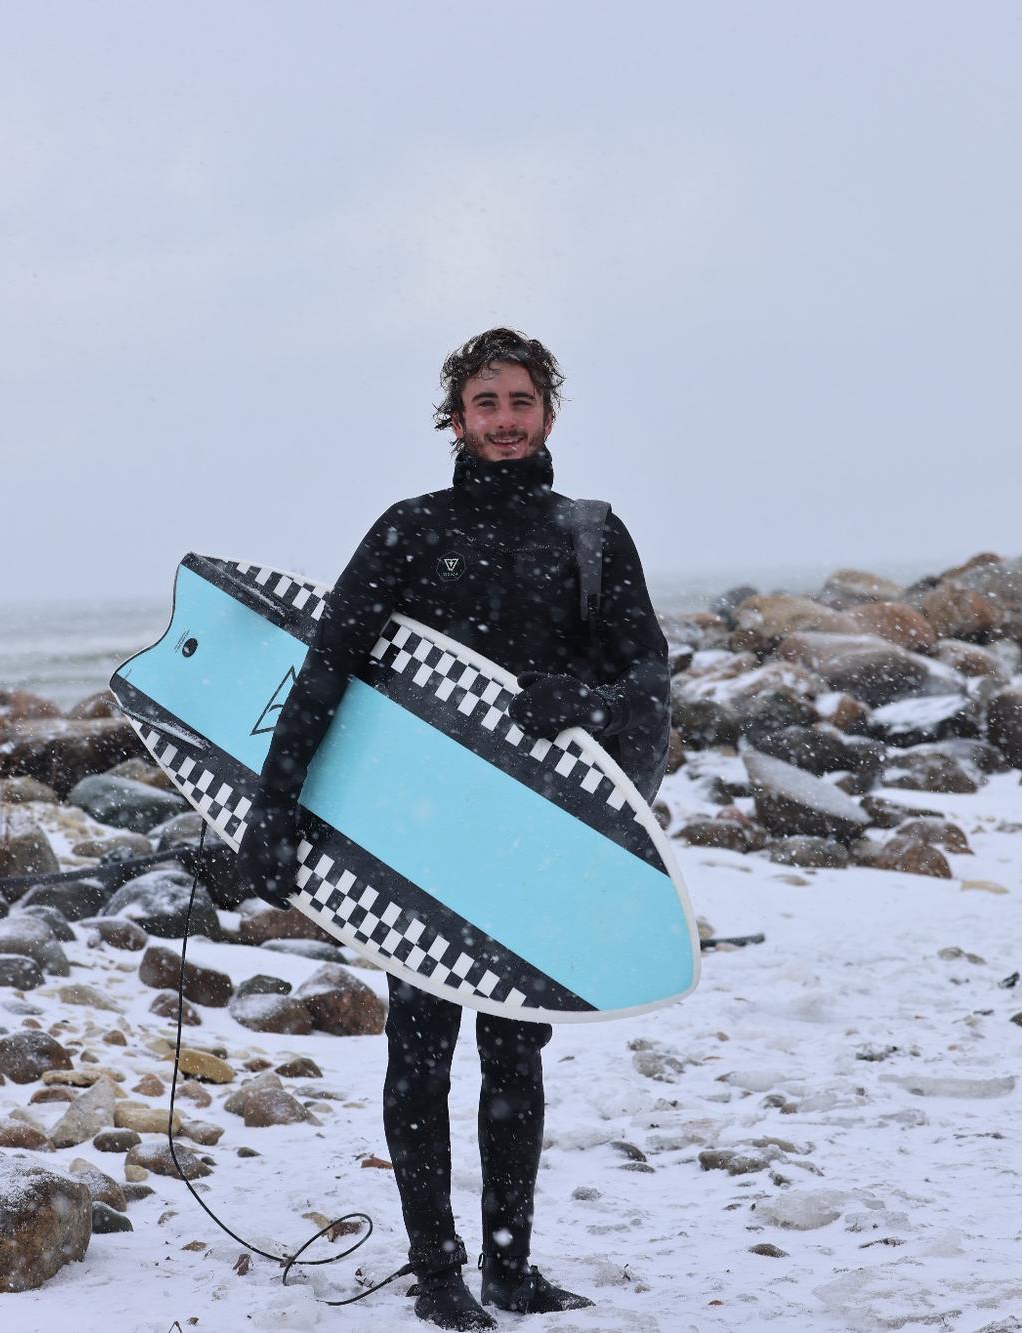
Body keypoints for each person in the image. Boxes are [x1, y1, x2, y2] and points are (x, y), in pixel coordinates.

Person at [236, 328, 670, 1329]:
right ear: (455, 418)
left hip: (532, 830)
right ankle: (438, 1274)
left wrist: (584, 700)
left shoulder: (591, 533)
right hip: (417, 832)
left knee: (515, 1053)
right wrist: (276, 803)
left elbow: (645, 672)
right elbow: (328, 667)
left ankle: (508, 1268)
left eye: (520, 402)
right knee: (421, 1046)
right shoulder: (410, 530)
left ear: (547, 414)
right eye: (486, 404)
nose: (505, 421)